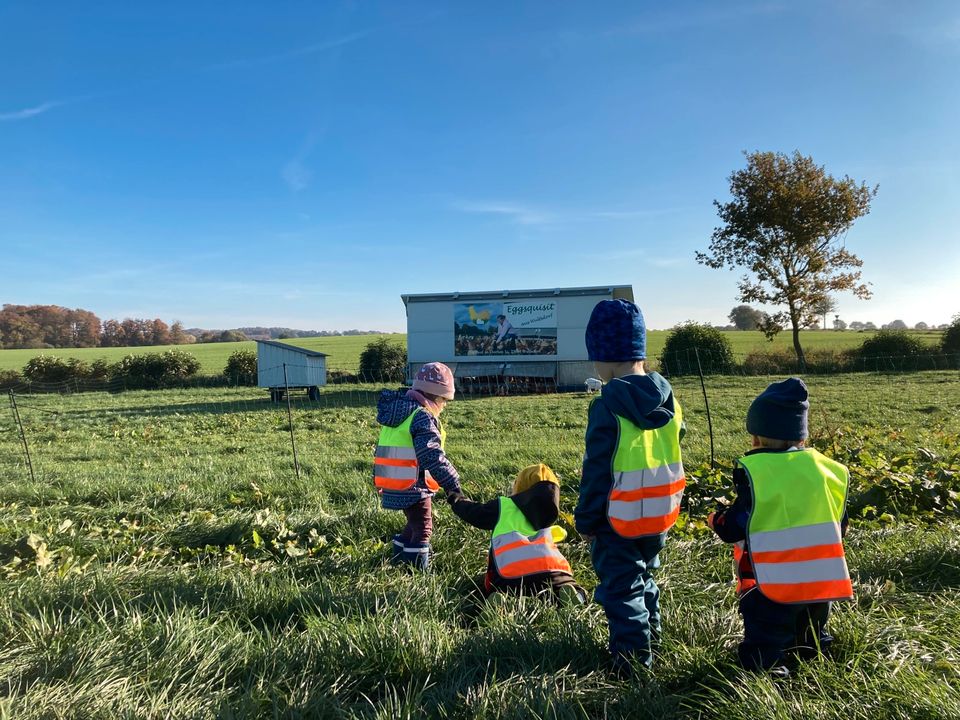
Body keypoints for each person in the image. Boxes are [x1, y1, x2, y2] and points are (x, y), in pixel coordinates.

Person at [707, 377, 852, 676]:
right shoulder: (828, 470)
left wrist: (716, 519)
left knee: (765, 640)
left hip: (770, 581)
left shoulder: (759, 473)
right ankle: (817, 665)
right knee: (811, 633)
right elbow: (841, 524)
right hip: (819, 580)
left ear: (757, 438)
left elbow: (737, 525)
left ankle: (770, 676)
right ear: (801, 436)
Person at [574, 299, 685, 675]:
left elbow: (597, 471)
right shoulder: (670, 399)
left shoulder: (607, 406)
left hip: (617, 517)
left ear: (606, 357)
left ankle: (633, 663)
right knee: (645, 576)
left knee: (621, 590)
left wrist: (586, 520)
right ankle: (652, 634)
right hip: (661, 512)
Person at [447, 463, 586, 607]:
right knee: (570, 589)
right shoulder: (549, 514)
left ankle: (502, 603)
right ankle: (573, 597)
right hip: (554, 573)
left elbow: (474, 513)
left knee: (501, 589)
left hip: (508, 576)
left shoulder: (504, 506)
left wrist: (456, 497)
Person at [373, 362, 462, 570]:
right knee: (423, 529)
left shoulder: (397, 414)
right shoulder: (421, 417)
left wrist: (376, 478)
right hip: (414, 486)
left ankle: (399, 564)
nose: (445, 405)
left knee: (413, 526)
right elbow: (431, 455)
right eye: (444, 400)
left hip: (393, 482)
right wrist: (452, 483)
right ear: (432, 397)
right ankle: (419, 575)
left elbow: (381, 449)